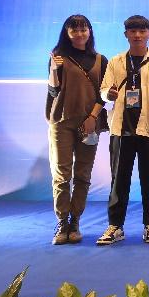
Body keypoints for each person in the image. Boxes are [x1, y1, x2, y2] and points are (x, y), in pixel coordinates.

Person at [96, 15, 149, 245]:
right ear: (126, 34)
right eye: (133, 31)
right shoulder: (116, 61)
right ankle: (115, 226)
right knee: (118, 182)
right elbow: (103, 90)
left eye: (142, 31)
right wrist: (108, 94)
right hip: (121, 130)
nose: (137, 35)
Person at [46, 14, 108, 244]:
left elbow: (104, 94)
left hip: (89, 123)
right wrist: (54, 70)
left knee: (83, 174)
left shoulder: (101, 60)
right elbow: (53, 92)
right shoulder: (58, 57)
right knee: (62, 174)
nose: (80, 34)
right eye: (74, 30)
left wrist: (92, 117)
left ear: (90, 31)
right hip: (61, 122)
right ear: (67, 32)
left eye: (84, 29)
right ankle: (62, 222)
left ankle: (75, 221)